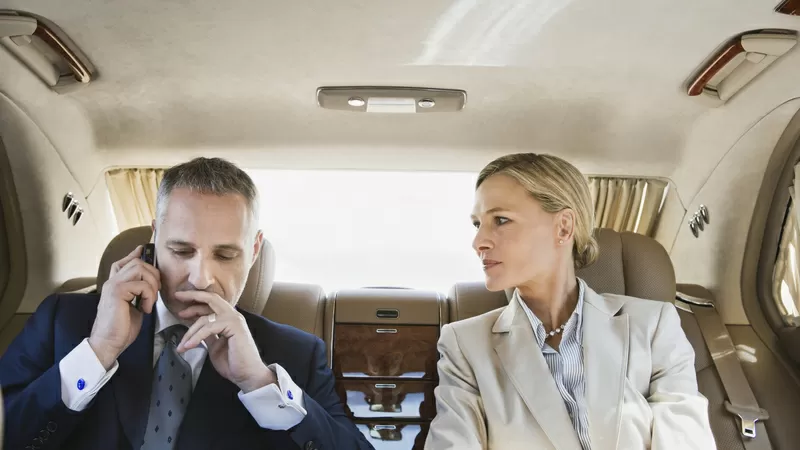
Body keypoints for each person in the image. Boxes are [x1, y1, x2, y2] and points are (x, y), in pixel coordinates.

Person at [0, 157, 374, 450]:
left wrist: (260, 384)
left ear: (254, 249)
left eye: (225, 255)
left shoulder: (295, 355)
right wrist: (98, 352)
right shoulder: (62, 320)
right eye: (181, 250)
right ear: (155, 237)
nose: (201, 278)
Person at [424, 153, 716, 450]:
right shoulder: (464, 344)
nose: (479, 242)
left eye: (500, 220)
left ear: (563, 227)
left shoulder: (653, 326)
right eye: (477, 224)